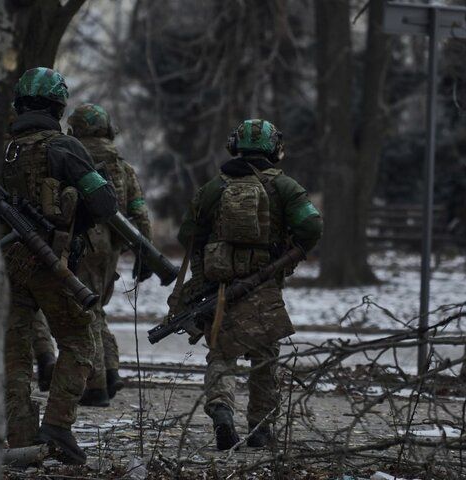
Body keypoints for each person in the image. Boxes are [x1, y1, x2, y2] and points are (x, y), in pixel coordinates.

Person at [172, 119, 321, 450]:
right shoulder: (284, 187)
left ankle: (222, 409)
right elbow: (311, 226)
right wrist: (288, 253)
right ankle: (261, 429)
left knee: (222, 355)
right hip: (265, 285)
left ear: (234, 146)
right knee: (265, 356)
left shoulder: (213, 187)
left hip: (219, 287)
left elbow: (187, 235)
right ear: (273, 149)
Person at [2, 67, 117, 464]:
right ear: (58, 105)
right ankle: (56, 425)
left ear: (18, 104)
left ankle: (18, 436)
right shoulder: (65, 148)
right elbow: (104, 204)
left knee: (12, 355)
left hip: (4, 268)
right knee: (81, 342)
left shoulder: (0, 150)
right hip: (53, 265)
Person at [31, 103, 154, 406]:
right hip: (113, 244)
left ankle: (95, 386)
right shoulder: (121, 164)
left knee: (84, 312)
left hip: (80, 238)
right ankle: (111, 372)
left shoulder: (67, 152)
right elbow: (139, 210)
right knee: (97, 308)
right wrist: (144, 251)